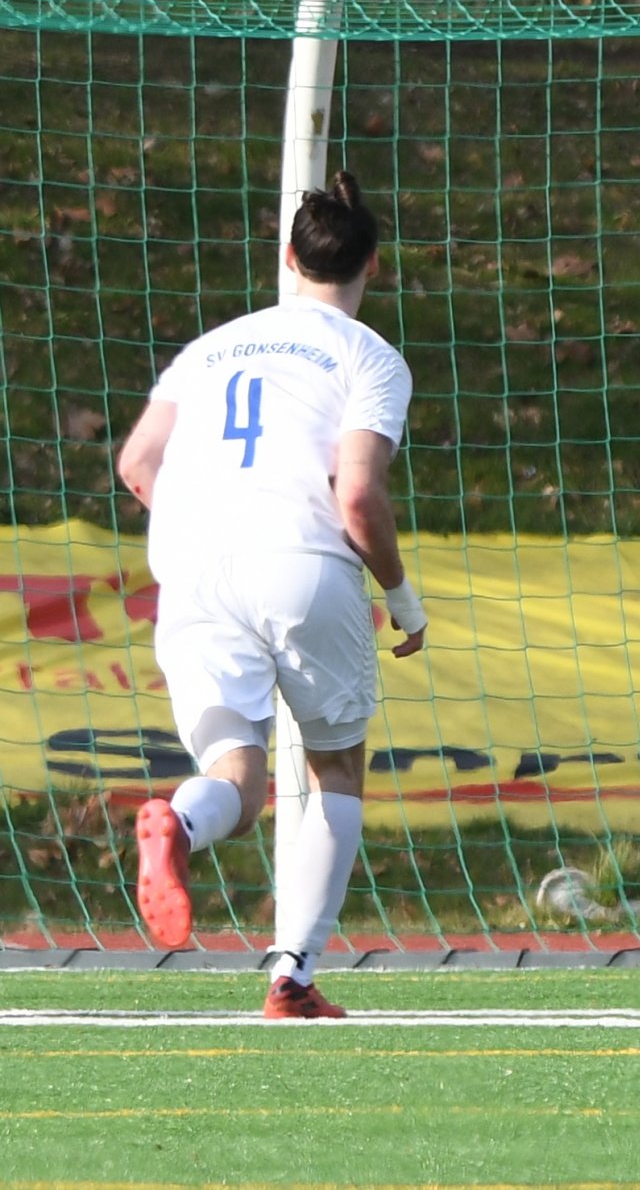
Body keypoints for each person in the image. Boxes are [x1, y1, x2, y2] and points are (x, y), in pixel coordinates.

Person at [115, 172, 427, 1019]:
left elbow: (138, 463)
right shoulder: (369, 355)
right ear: (374, 265)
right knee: (334, 763)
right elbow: (357, 495)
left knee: (238, 782)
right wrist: (402, 598)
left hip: (192, 567)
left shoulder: (212, 345)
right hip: (300, 562)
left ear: (287, 257)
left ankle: (178, 823)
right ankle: (292, 973)